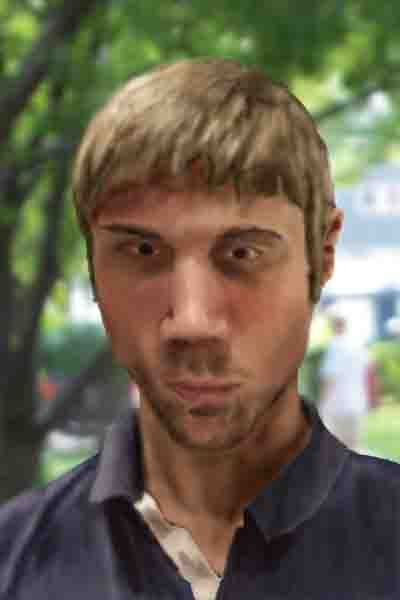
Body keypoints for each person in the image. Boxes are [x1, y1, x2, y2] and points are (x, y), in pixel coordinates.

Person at [1, 58, 400, 599]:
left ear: (323, 252)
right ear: (93, 266)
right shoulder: (12, 563)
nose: (191, 321)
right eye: (143, 251)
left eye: (243, 253)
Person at [319, 312, 370, 451]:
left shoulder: (335, 346)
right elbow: (368, 372)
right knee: (354, 447)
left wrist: (322, 404)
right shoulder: (358, 345)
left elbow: (330, 377)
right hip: (358, 403)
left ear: (333, 326)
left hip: (338, 405)